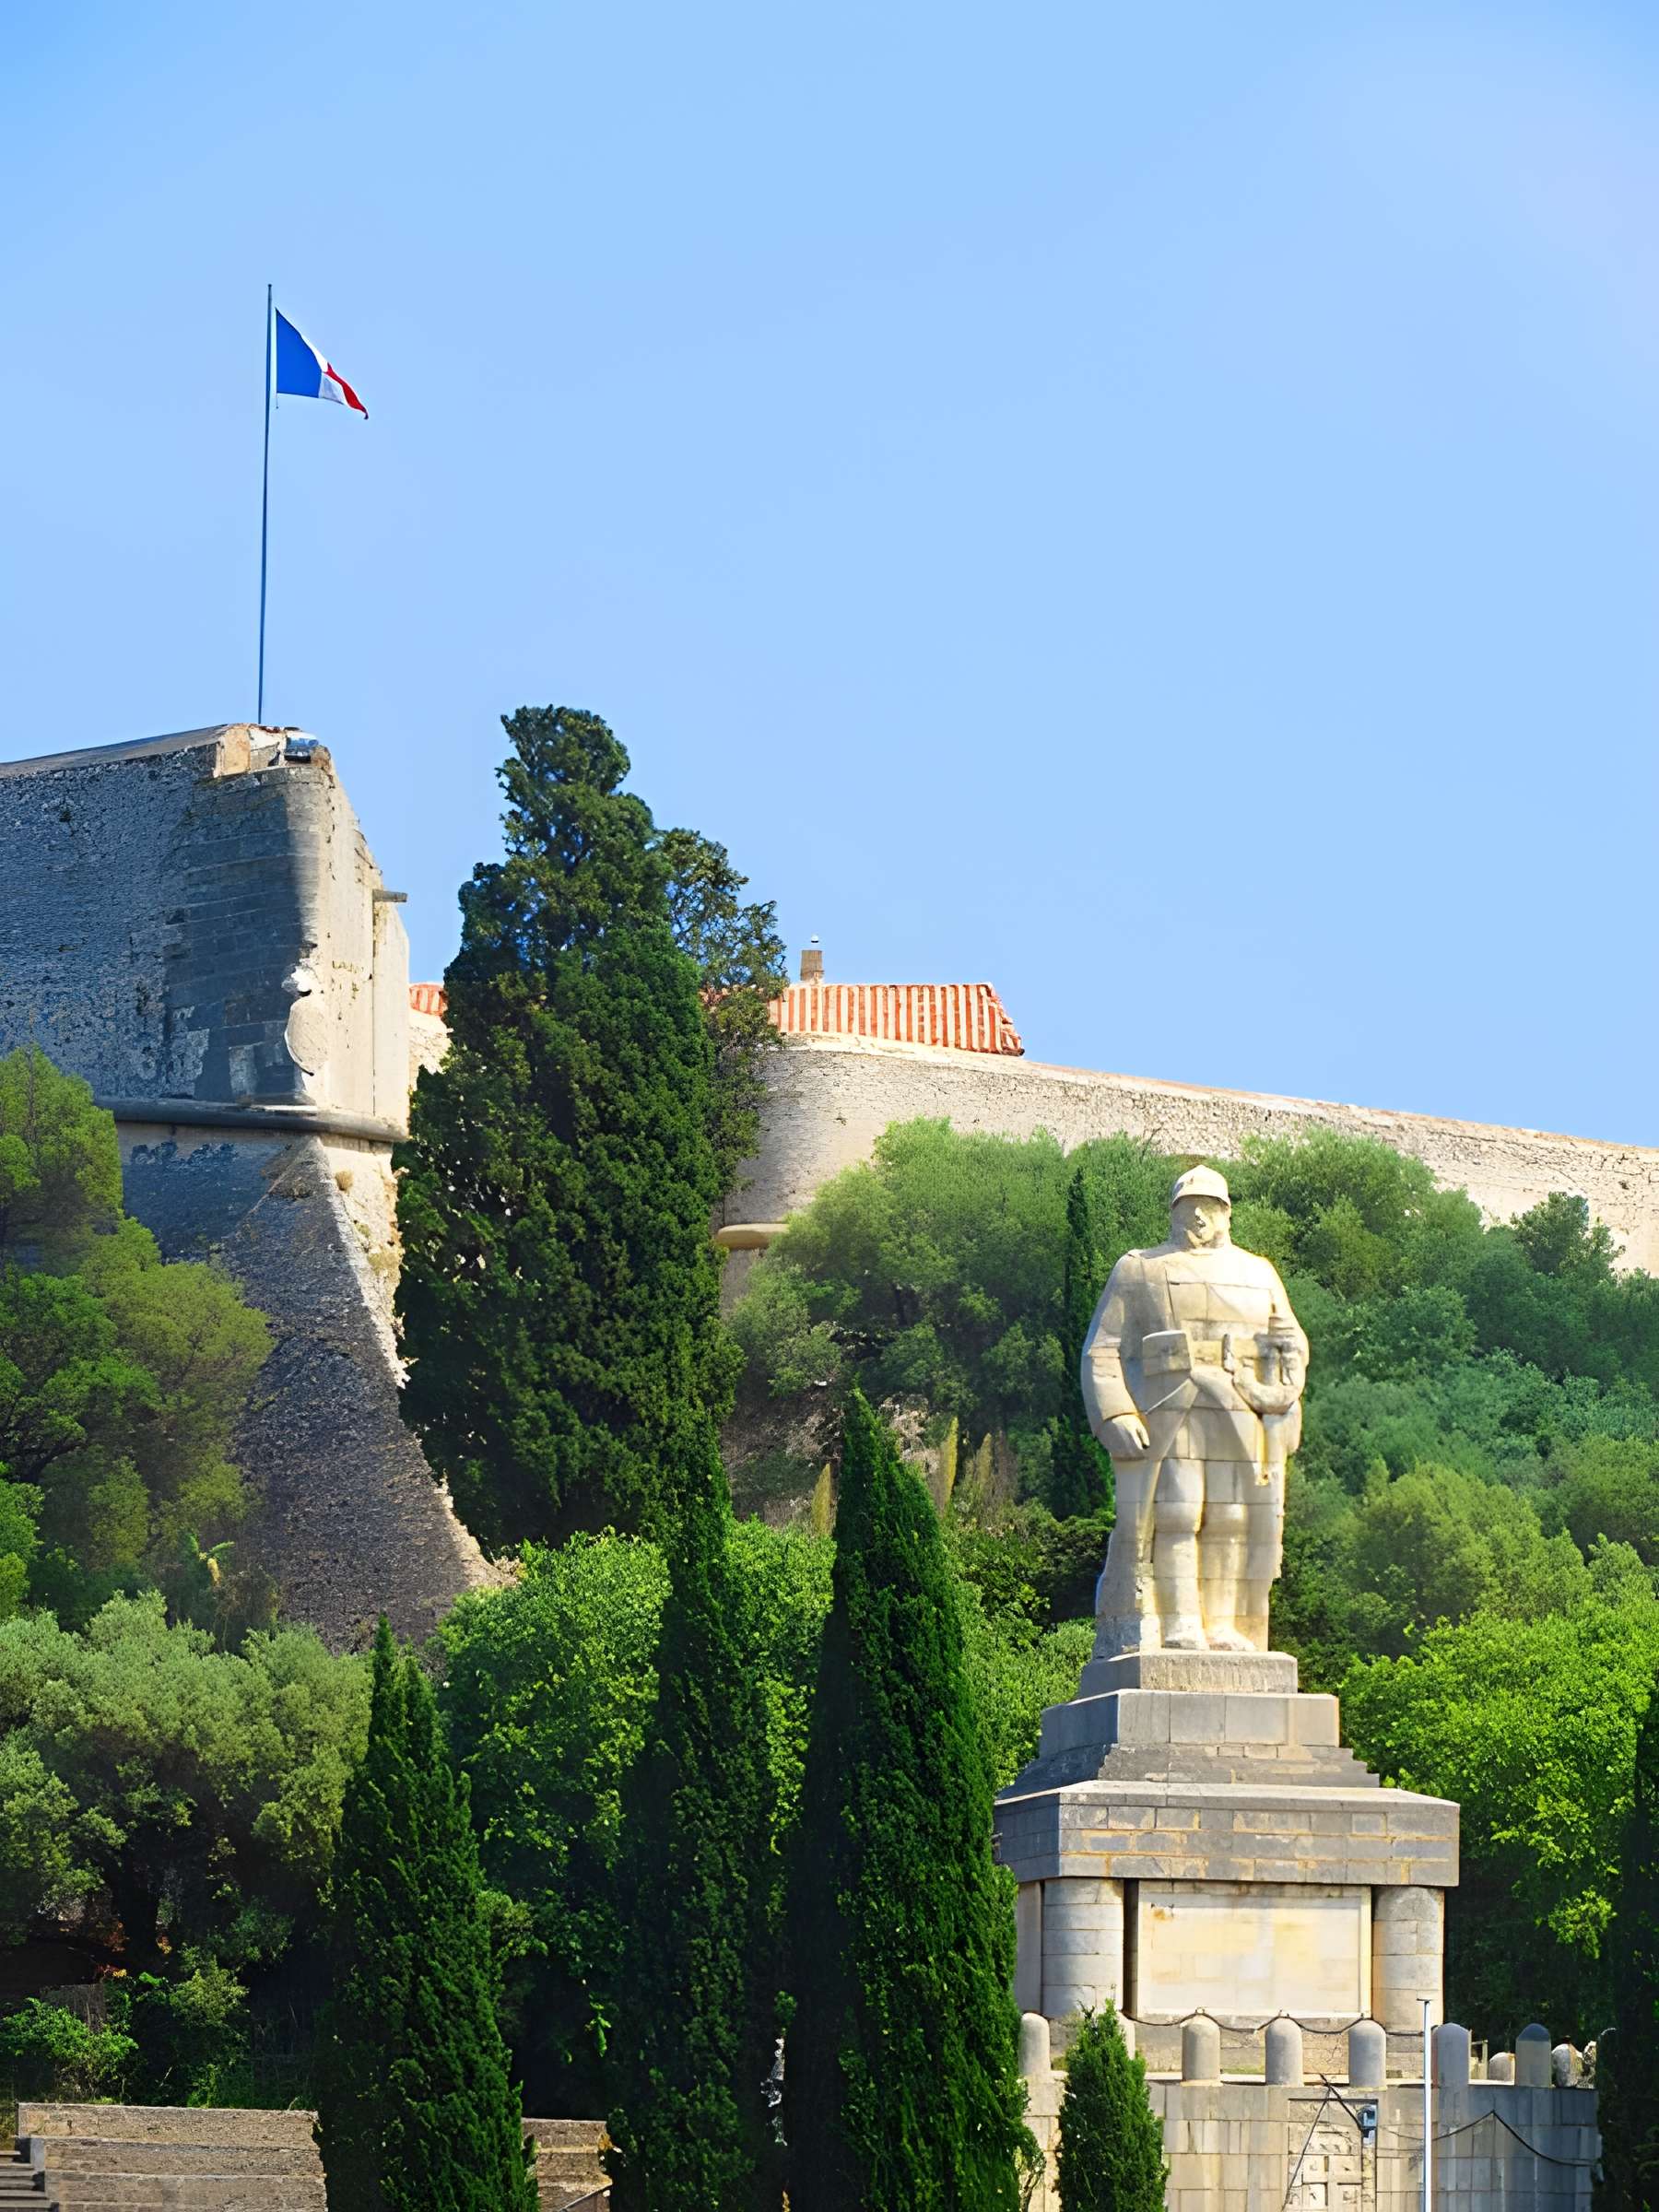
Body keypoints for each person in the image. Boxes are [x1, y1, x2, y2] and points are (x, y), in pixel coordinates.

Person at [1081, 1165, 1306, 1655]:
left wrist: (1282, 1390)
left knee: (1230, 1517)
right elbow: (1102, 1348)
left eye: (1209, 1206)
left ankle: (1222, 1623)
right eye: (1188, 1206)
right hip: (1169, 1405)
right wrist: (1115, 1413)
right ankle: (1180, 1623)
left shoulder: (1258, 1271)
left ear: (1227, 1213)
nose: (1198, 1216)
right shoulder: (1140, 1267)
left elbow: (1289, 1340)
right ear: (1173, 1211)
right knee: (1177, 1512)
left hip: (1238, 1406)